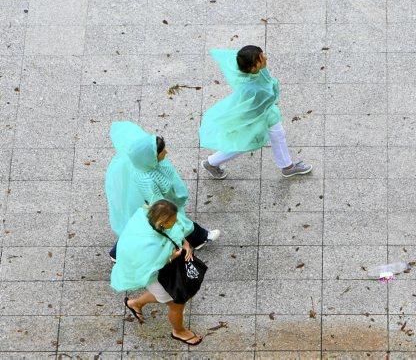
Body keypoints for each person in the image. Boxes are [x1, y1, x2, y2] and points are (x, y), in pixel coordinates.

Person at [105, 121, 219, 261]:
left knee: (136, 230)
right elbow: (161, 207)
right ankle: (199, 237)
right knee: (171, 221)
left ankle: (116, 253)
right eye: (162, 151)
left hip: (154, 201)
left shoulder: (145, 163)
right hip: (155, 204)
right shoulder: (147, 180)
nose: (166, 152)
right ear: (152, 156)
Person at [199, 45, 312, 179]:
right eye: (261, 57)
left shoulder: (249, 67)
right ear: (253, 67)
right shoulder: (251, 89)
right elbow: (257, 105)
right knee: (243, 144)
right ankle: (211, 162)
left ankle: (287, 166)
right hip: (255, 116)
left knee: (277, 135)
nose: (265, 57)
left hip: (265, 111)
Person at [111, 199, 202, 345]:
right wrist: (171, 257)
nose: (176, 222)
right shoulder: (148, 244)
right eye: (172, 220)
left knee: (164, 296)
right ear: (162, 222)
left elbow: (175, 230)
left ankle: (135, 303)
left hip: (162, 274)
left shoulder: (147, 217)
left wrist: (185, 243)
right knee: (176, 303)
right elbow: (152, 264)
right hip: (155, 276)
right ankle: (178, 331)